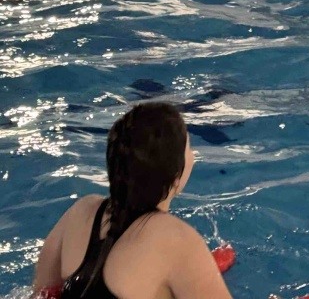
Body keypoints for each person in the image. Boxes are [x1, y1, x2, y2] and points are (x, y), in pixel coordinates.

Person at [30, 101, 234, 299]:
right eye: (189, 148)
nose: (194, 155)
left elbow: (44, 293)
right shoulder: (177, 240)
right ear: (175, 175)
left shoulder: (81, 212)